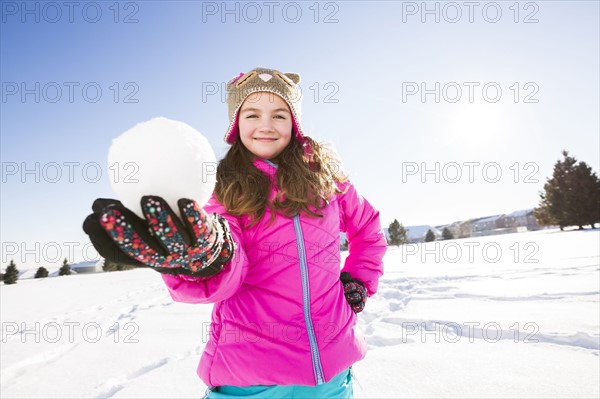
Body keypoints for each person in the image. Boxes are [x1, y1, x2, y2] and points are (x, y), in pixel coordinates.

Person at [83, 67, 387, 398]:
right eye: (252, 114)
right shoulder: (224, 188)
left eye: (279, 114)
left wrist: (358, 279)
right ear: (236, 124)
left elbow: (369, 230)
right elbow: (230, 271)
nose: (266, 125)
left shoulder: (327, 179)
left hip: (331, 370)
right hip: (251, 377)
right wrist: (209, 255)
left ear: (294, 123)